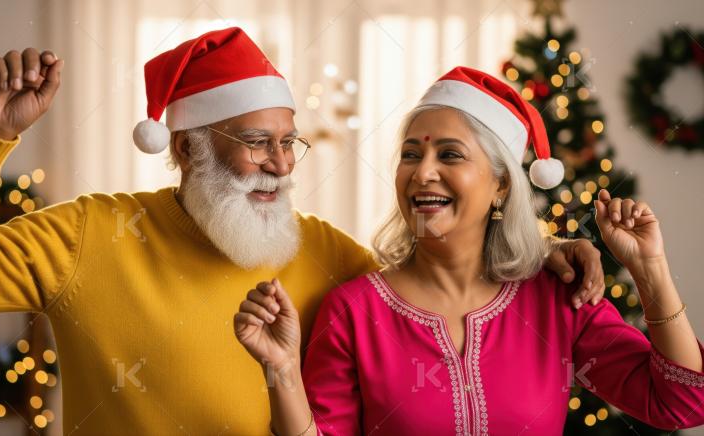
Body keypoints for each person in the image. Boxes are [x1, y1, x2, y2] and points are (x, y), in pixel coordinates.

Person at [0, 27, 603, 434]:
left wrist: (544, 258)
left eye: (288, 143)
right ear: (185, 149)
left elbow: (439, 286)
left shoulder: (328, 254)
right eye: (254, 141)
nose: (278, 165)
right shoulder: (91, 233)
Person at [234, 67, 704, 435]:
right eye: (411, 155)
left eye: (450, 155)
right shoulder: (353, 311)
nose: (422, 174)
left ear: (501, 184)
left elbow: (680, 403)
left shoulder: (559, 298)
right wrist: (282, 372)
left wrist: (650, 269)